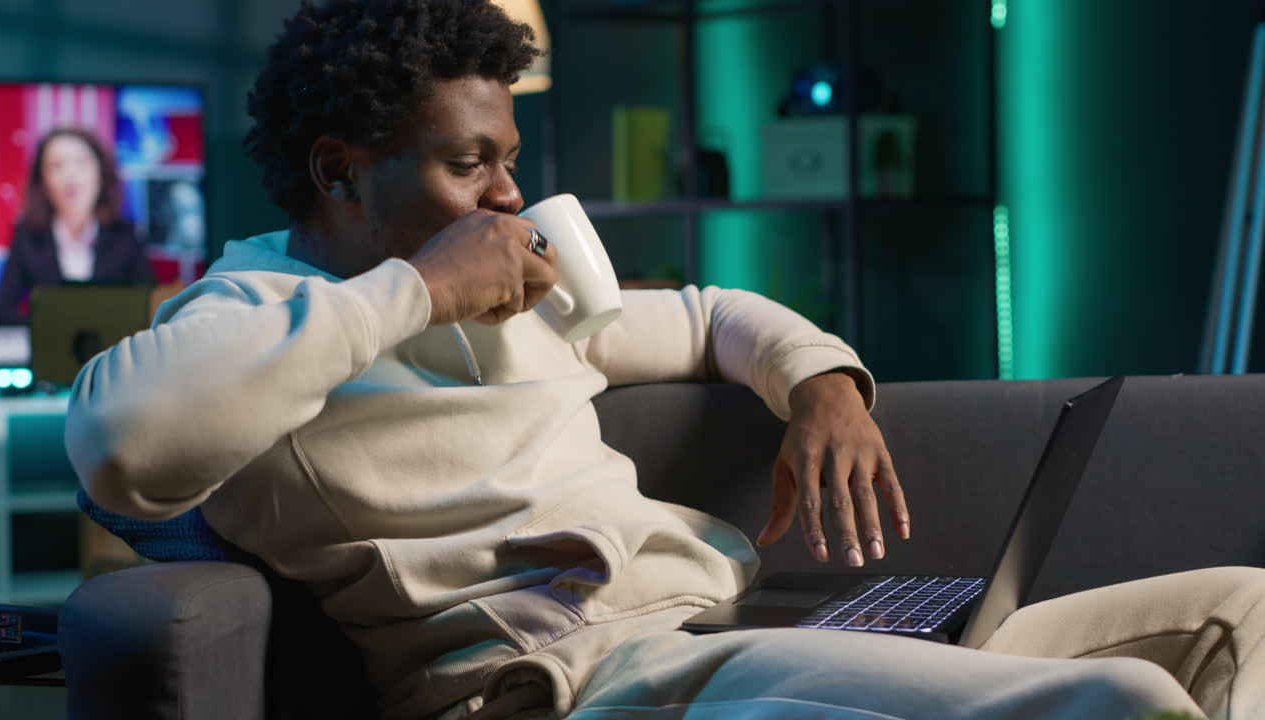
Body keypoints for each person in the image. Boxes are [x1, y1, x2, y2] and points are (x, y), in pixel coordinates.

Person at [64, 2, 1265, 719]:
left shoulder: (518, 294)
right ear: (338, 170)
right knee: (1128, 703)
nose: (511, 193)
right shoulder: (249, 314)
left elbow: (707, 314)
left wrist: (823, 388)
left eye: (509, 155)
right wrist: (416, 289)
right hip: (591, 683)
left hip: (720, 628)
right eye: (469, 163)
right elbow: (122, 444)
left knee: (1240, 611)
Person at [0, 126, 156, 325]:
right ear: (42, 181)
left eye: (82, 162)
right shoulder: (27, 236)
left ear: (101, 174)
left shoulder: (125, 236)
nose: (71, 174)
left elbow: (151, 308)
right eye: (57, 165)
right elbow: (3, 311)